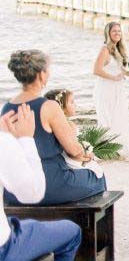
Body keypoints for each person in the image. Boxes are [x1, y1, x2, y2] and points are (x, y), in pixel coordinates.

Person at [2, 50, 106, 205]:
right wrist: (84, 154)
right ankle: (84, 226)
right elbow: (73, 149)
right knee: (97, 177)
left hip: (16, 188)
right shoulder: (49, 106)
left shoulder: (6, 108)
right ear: (42, 74)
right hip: (51, 184)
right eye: (48, 69)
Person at [0, 104, 82, 261]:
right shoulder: (2, 143)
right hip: (4, 248)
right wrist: (25, 139)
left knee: (27, 225)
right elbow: (32, 193)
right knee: (72, 232)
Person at [93, 22, 129, 161]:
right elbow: (96, 70)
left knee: (119, 117)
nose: (117, 33)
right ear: (108, 33)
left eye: (119, 31)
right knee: (106, 118)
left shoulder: (118, 50)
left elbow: (120, 71)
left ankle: (114, 150)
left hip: (117, 89)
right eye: (114, 31)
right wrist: (114, 78)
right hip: (105, 89)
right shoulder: (105, 49)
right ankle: (101, 151)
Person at [44, 89, 103, 178]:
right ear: (61, 107)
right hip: (71, 163)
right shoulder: (69, 125)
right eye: (72, 102)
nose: (75, 105)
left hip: (59, 163)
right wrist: (87, 154)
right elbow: (73, 152)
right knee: (98, 172)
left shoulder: (52, 125)